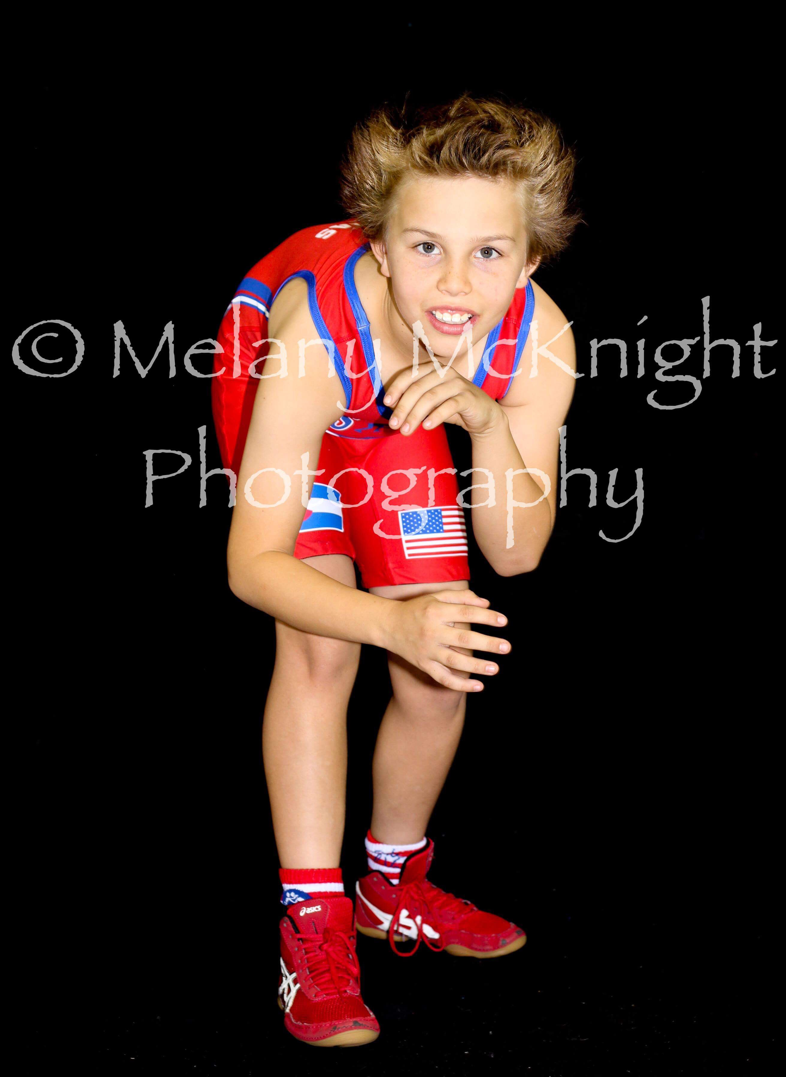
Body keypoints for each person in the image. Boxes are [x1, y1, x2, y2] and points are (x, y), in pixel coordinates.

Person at [211, 92, 580, 1048]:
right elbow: (251, 567)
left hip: (396, 408)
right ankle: (313, 918)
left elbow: (516, 552)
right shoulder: (314, 343)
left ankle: (391, 888)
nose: (455, 283)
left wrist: (488, 424)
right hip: (295, 375)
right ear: (380, 247)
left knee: (439, 657)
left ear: (529, 263)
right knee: (322, 647)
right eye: (425, 247)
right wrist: (384, 620)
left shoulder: (541, 340)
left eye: (488, 252)